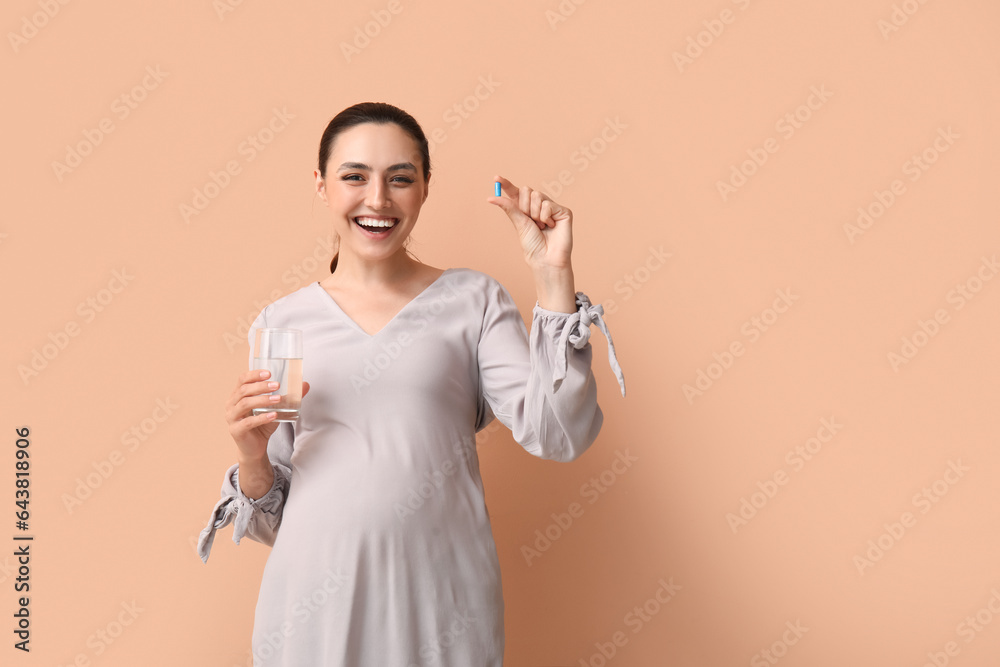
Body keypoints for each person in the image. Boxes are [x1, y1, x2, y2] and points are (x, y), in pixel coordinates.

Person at [197, 101, 626, 666]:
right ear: (322, 185)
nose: (377, 199)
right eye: (354, 176)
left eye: (400, 179)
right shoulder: (285, 323)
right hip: (313, 608)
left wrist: (552, 279)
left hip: (443, 602)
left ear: (425, 189)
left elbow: (559, 434)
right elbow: (274, 518)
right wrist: (251, 457)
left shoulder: (472, 301)